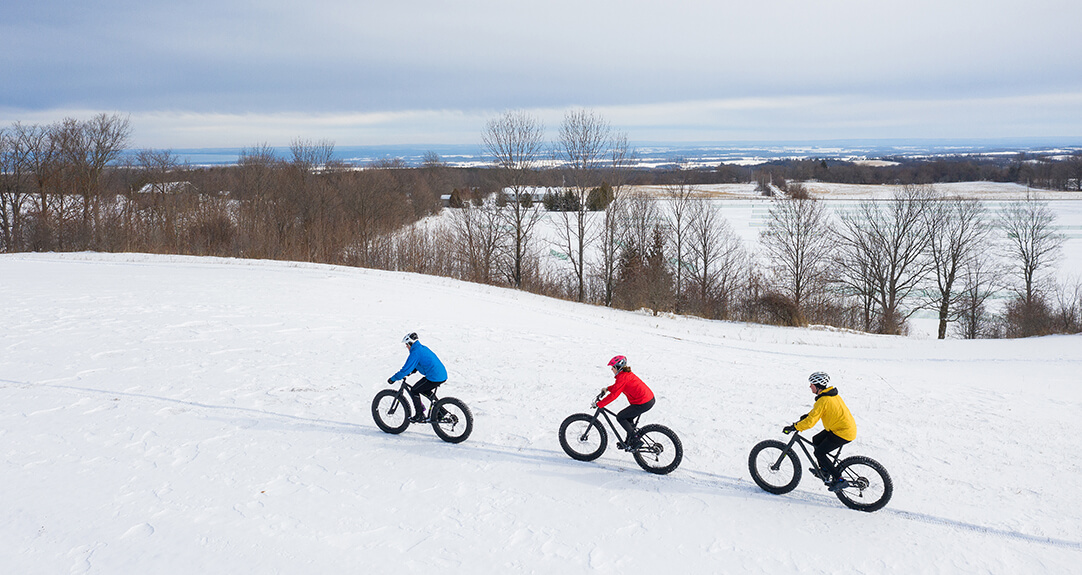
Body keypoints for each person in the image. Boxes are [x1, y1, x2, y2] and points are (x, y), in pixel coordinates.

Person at [783, 372, 857, 492]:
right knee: (816, 440)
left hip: (843, 433)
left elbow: (810, 422)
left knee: (819, 453)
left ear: (818, 386)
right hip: (841, 428)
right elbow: (816, 413)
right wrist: (807, 416)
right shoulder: (831, 395)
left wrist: (795, 427)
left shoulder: (823, 401)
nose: (810, 387)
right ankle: (825, 470)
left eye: (811, 384)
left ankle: (839, 479)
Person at [595, 355, 655, 450]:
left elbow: (614, 395)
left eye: (613, 367)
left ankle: (636, 439)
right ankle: (629, 441)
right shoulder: (624, 375)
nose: (611, 369)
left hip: (643, 402)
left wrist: (600, 404)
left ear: (618, 367)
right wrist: (607, 389)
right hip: (646, 400)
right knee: (628, 418)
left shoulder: (622, 377)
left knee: (621, 417)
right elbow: (618, 387)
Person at [388, 332, 448, 423]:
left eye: (406, 345)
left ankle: (419, 415)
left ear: (410, 343)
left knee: (414, 390)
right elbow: (423, 362)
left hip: (434, 377)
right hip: (441, 375)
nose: (406, 347)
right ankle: (441, 411)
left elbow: (405, 370)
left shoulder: (415, 353)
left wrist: (393, 378)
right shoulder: (422, 348)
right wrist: (414, 370)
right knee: (425, 390)